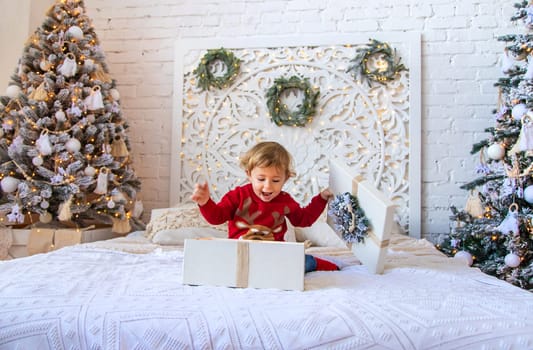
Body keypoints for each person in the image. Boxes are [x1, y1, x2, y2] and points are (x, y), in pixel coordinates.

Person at [190, 141, 339, 272]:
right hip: (241, 254)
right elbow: (216, 217)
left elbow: (303, 219)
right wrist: (205, 203)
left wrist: (321, 199)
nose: (268, 186)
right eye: (261, 179)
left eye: (275, 180)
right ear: (249, 175)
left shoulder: (284, 201)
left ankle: (324, 264)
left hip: (274, 255)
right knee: (215, 260)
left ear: (285, 178)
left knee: (301, 262)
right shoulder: (238, 196)